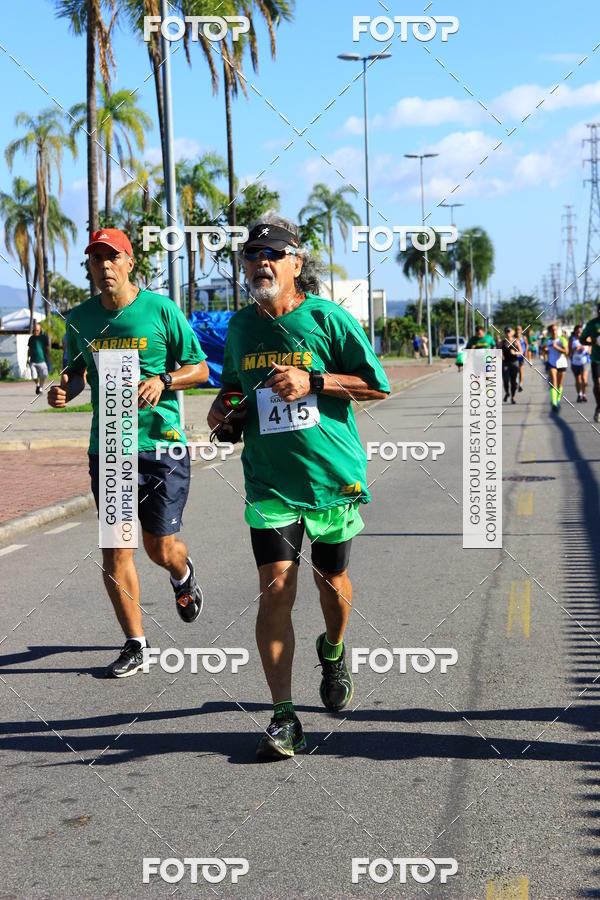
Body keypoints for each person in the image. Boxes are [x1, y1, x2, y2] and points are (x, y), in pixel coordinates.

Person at [207, 213, 390, 761]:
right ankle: (284, 715)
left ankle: (332, 650)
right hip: (269, 482)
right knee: (275, 587)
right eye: (252, 255)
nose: (261, 262)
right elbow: (237, 393)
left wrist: (313, 381)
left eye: (274, 254)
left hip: (333, 478)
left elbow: (375, 386)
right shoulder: (241, 328)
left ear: (295, 262)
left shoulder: (328, 319)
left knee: (331, 582)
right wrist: (224, 412)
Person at [48, 228, 209, 678]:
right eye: (96, 260)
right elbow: (75, 374)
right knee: (117, 550)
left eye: (111, 258)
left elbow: (200, 368)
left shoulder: (160, 310)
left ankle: (181, 572)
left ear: (129, 262)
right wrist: (65, 391)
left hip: (162, 446)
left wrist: (165, 381)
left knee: (159, 548)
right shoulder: (80, 319)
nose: (103, 267)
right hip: (111, 448)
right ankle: (136, 643)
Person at [581, 301, 600, 422]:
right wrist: (591, 343)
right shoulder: (592, 324)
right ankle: (599, 407)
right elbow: (582, 339)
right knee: (598, 384)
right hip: (596, 359)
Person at [546, 322, 568, 412]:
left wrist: (556, 347)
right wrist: (545, 350)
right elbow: (546, 350)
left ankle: (558, 400)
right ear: (550, 332)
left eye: (555, 330)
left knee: (559, 385)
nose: (554, 331)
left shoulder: (562, 339)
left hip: (562, 364)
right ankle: (554, 403)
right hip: (552, 363)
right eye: (552, 330)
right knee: (553, 383)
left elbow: (566, 352)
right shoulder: (547, 340)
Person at [27, 320, 50, 395]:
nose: (36, 331)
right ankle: (37, 385)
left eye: (37, 330)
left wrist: (48, 358)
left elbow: (47, 349)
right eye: (35, 330)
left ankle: (40, 388)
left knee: (44, 375)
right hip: (33, 361)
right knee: (34, 376)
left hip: (42, 360)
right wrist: (27, 359)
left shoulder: (44, 338)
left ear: (40, 330)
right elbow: (29, 349)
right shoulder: (31, 338)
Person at [569, 324, 589, 403]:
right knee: (578, 380)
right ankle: (579, 394)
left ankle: (584, 395)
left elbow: (590, 346)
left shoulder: (586, 338)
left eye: (580, 332)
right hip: (575, 363)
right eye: (577, 332)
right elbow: (569, 352)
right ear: (574, 332)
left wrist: (588, 350)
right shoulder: (572, 339)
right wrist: (574, 349)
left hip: (585, 361)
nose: (578, 334)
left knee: (584, 378)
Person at [502, 326, 521, 404]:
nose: (508, 333)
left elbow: (521, 352)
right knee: (506, 380)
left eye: (509, 331)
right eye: (506, 332)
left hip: (514, 363)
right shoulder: (502, 342)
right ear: (505, 333)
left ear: (512, 332)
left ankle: (513, 397)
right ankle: (507, 393)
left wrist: (515, 353)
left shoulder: (515, 341)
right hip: (505, 363)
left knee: (513, 382)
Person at [515, 325, 528, 391]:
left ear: (521, 330)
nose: (518, 331)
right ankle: (516, 380)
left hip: (521, 356)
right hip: (515, 356)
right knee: (516, 369)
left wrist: (525, 352)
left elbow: (526, 344)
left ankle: (521, 384)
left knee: (520, 370)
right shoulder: (514, 338)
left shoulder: (524, 337)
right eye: (517, 329)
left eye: (519, 329)